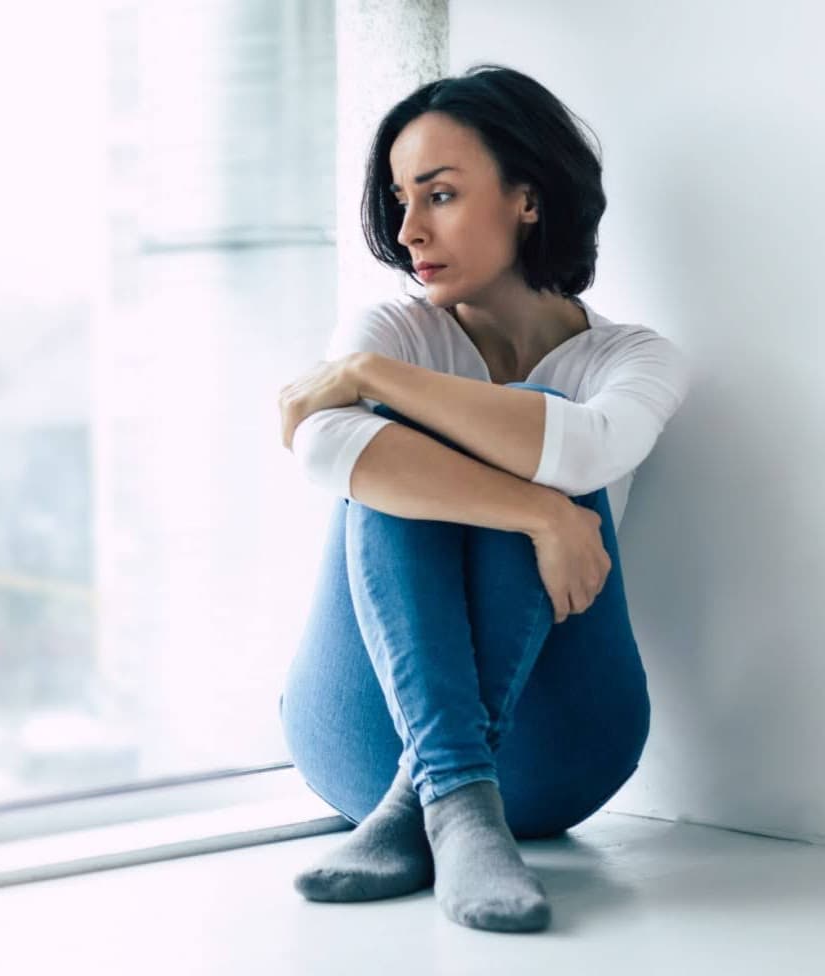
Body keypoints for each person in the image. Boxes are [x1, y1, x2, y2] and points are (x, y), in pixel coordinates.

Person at [276, 63, 690, 934]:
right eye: (400, 200)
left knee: (520, 423)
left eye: (440, 194)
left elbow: (583, 447)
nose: (408, 230)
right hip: (361, 735)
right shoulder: (393, 328)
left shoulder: (635, 359)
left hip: (557, 751)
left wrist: (370, 378)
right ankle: (455, 799)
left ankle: (429, 799)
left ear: (527, 199)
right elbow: (322, 446)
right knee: (389, 448)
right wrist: (538, 514)